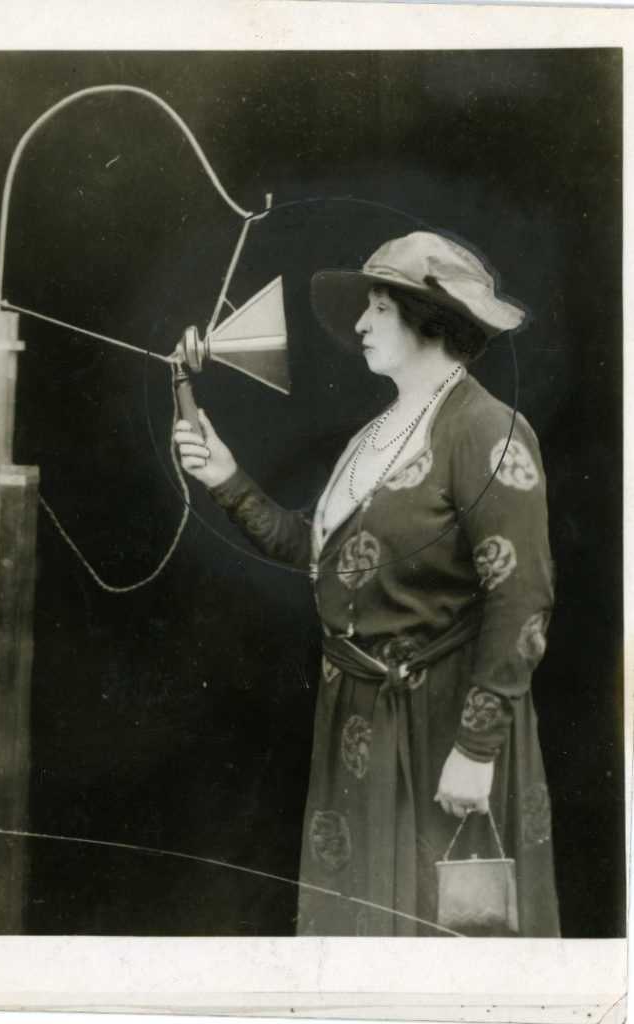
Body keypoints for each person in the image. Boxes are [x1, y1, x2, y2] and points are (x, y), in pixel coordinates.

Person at [173, 230, 559, 937]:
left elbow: (522, 597)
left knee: (442, 944)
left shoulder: (484, 429)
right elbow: (315, 550)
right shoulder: (375, 435)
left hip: (441, 722)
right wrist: (226, 480)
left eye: (379, 308)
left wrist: (475, 751)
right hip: (357, 721)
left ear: (428, 321)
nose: (358, 324)